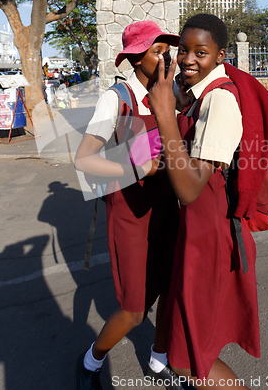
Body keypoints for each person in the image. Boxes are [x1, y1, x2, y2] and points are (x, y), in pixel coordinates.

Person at [148, 14, 268, 389]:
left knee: (189, 361)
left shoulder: (220, 100)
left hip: (211, 241)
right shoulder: (200, 95)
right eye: (184, 49)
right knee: (188, 347)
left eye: (201, 52)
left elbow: (190, 188)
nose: (188, 59)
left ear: (220, 55)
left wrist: (165, 111)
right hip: (196, 234)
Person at [74, 21, 182, 390]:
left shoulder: (169, 93)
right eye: (158, 50)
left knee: (168, 290)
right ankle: (90, 362)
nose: (166, 57)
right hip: (130, 211)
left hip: (168, 207)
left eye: (168, 50)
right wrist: (136, 166)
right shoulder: (116, 97)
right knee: (135, 310)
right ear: (136, 58)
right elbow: (84, 159)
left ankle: (158, 359)